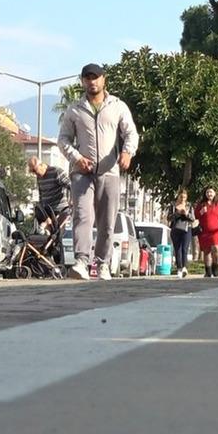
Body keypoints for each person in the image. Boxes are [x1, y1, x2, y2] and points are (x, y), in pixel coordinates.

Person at [58, 63, 139, 281]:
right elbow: (63, 139)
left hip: (109, 172)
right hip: (82, 173)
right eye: (87, 78)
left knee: (107, 221)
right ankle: (82, 261)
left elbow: (131, 133)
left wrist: (127, 152)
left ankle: (103, 263)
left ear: (104, 80)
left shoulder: (118, 106)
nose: (92, 82)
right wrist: (76, 157)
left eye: (96, 77)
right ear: (82, 81)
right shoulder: (74, 109)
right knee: (83, 216)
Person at [28, 156, 71, 233]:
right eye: (33, 172)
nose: (36, 174)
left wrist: (73, 200)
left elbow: (71, 185)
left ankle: (50, 229)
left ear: (42, 165)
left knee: (57, 234)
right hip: (47, 210)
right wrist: (41, 207)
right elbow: (41, 194)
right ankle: (46, 226)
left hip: (60, 209)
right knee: (37, 210)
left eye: (35, 171)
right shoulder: (39, 177)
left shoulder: (56, 172)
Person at [194, 186, 218, 277]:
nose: (209, 194)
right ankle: (208, 271)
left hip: (216, 232)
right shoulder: (201, 204)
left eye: (211, 192)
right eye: (208, 192)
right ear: (205, 194)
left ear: (214, 193)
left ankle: (215, 269)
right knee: (206, 251)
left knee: (216, 249)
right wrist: (201, 211)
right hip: (204, 232)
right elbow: (196, 216)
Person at [169, 189, 194, 278]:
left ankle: (184, 267)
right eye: (181, 196)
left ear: (186, 197)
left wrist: (186, 214)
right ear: (178, 196)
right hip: (176, 229)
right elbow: (169, 217)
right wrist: (177, 213)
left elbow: (193, 218)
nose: (182, 198)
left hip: (187, 229)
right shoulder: (173, 205)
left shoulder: (189, 206)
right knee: (177, 249)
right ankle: (179, 268)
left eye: (184, 197)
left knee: (185, 249)